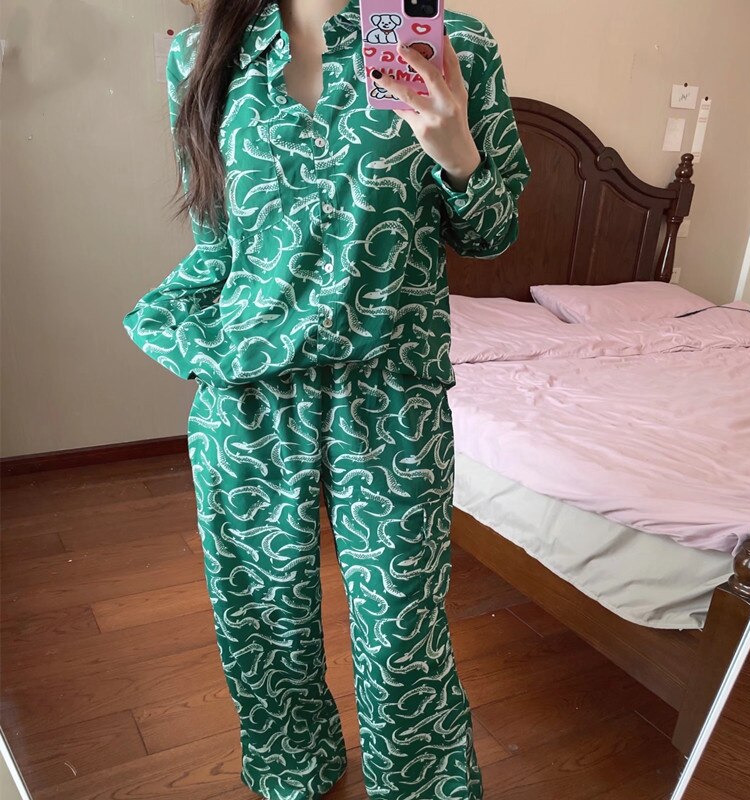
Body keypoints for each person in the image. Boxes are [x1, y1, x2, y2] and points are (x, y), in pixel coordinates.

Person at [122, 1, 531, 797]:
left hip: (392, 393)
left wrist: (456, 152)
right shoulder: (200, 57)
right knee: (262, 624)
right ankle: (293, 769)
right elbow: (217, 243)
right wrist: (191, 334)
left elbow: (491, 234)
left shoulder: (455, 45)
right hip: (250, 397)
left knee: (402, 632)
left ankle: (421, 784)